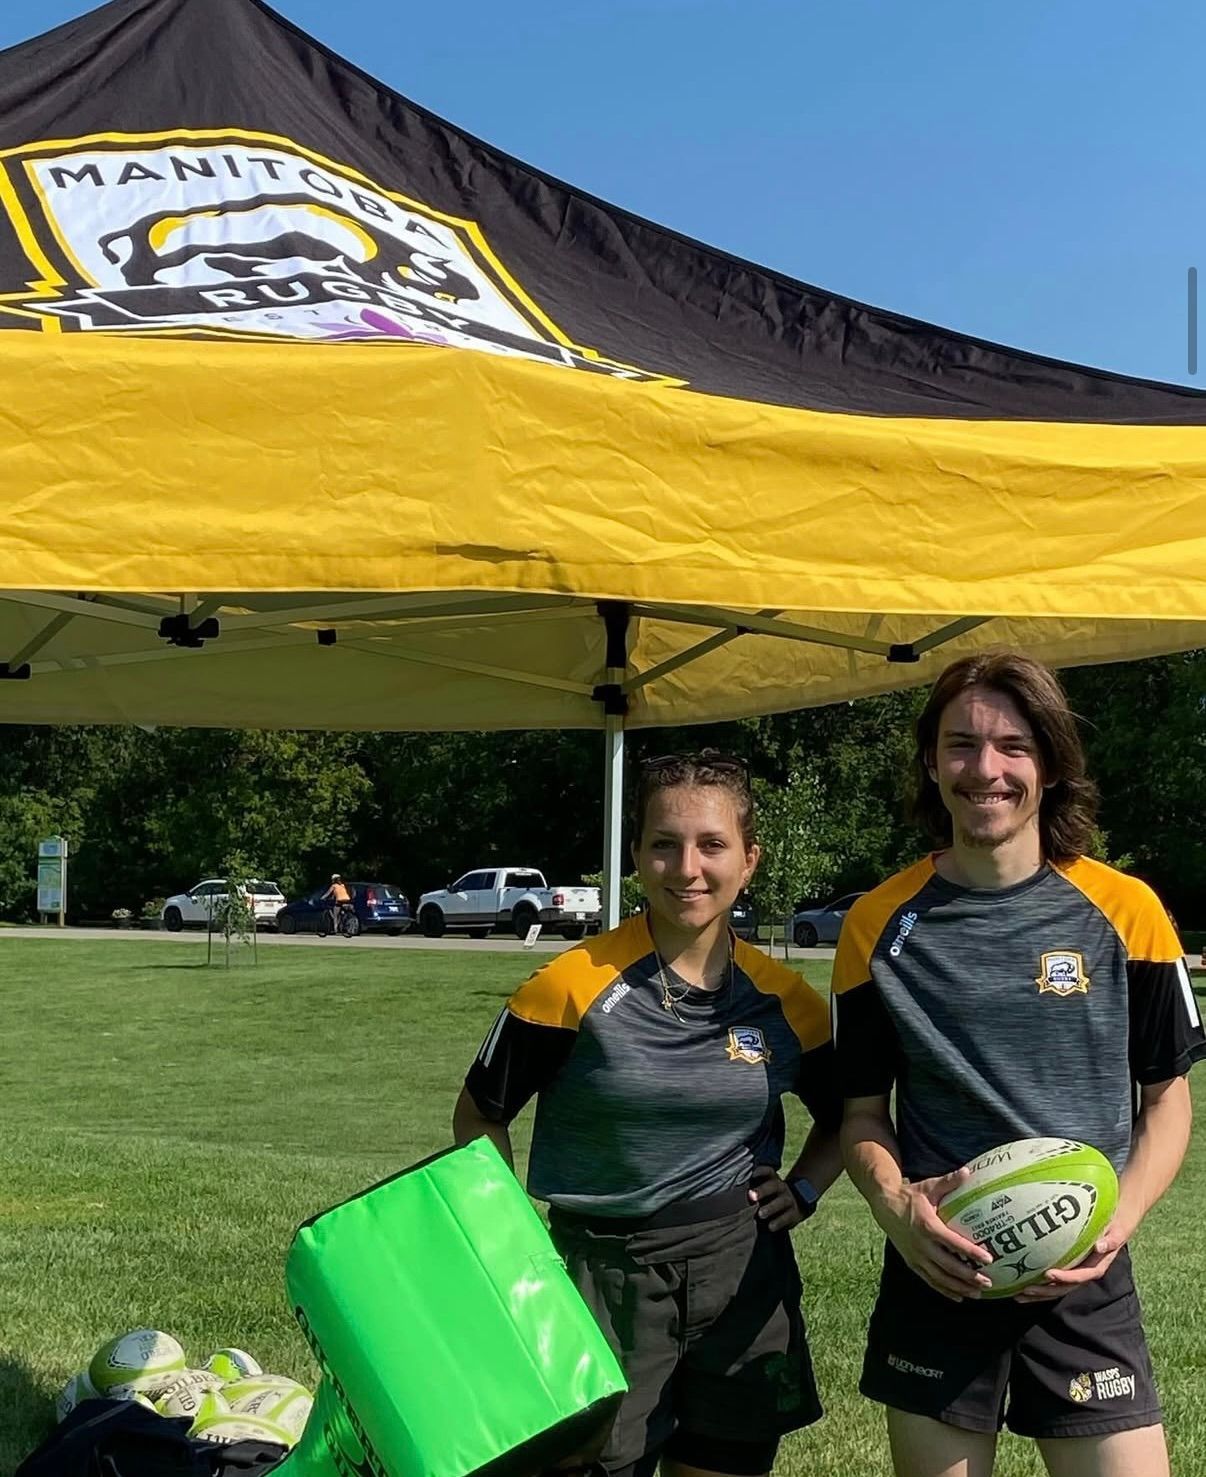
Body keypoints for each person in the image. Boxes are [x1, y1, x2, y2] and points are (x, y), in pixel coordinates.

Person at [834, 651, 1204, 1477]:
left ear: (1050, 762)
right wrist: (899, 1208)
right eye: (961, 745)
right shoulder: (874, 926)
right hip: (941, 1272)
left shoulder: (1128, 910)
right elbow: (860, 1111)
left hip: (1083, 1272)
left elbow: (1167, 1101)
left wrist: (1120, 1218)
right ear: (931, 762)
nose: (986, 769)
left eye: (1013, 745)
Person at [452, 751, 844, 1477]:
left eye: (711, 844)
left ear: (749, 860)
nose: (686, 866)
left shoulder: (788, 1001)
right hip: (601, 1275)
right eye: (664, 843)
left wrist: (809, 1187)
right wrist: (508, 1234)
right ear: (635, 857)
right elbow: (480, 1114)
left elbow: (850, 1114)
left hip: (741, 1269)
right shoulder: (567, 986)